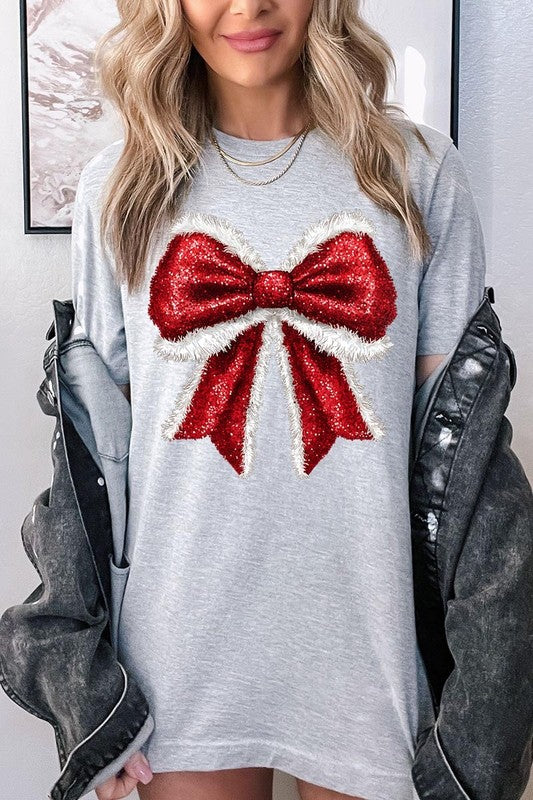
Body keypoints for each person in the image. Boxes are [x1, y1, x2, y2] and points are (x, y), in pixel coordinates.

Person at [70, 1, 487, 799]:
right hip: (177, 658)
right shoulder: (117, 189)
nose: (249, 6)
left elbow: (463, 464)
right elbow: (95, 469)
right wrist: (89, 698)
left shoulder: (417, 172)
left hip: (373, 648)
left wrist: (478, 696)